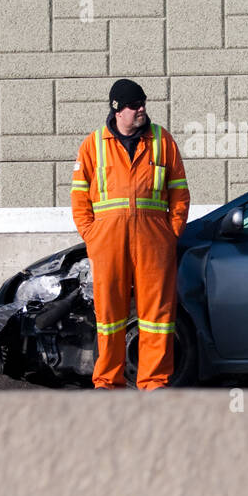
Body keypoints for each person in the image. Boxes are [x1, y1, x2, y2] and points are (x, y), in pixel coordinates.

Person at [70, 79, 190, 390]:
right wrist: (92, 237)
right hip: (108, 244)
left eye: (143, 104)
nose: (141, 109)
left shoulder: (163, 141)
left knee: (158, 317)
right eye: (135, 105)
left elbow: (179, 194)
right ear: (117, 110)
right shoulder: (92, 145)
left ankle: (154, 382)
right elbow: (79, 198)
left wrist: (170, 233)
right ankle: (108, 382)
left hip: (154, 243)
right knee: (109, 317)